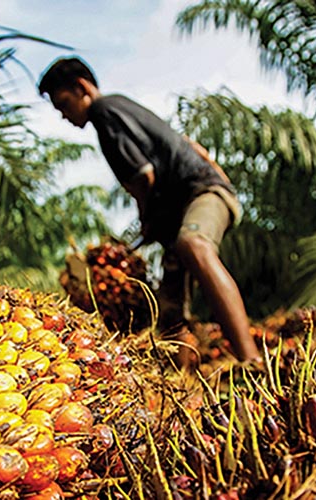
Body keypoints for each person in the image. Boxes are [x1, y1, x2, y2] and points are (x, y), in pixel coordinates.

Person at [38, 56, 260, 364]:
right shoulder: (122, 107)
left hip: (204, 193)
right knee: (169, 307)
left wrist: (146, 216)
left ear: (82, 87)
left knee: (193, 245)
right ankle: (180, 383)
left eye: (63, 104)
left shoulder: (104, 111)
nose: (64, 115)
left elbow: (143, 175)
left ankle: (251, 361)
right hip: (179, 212)